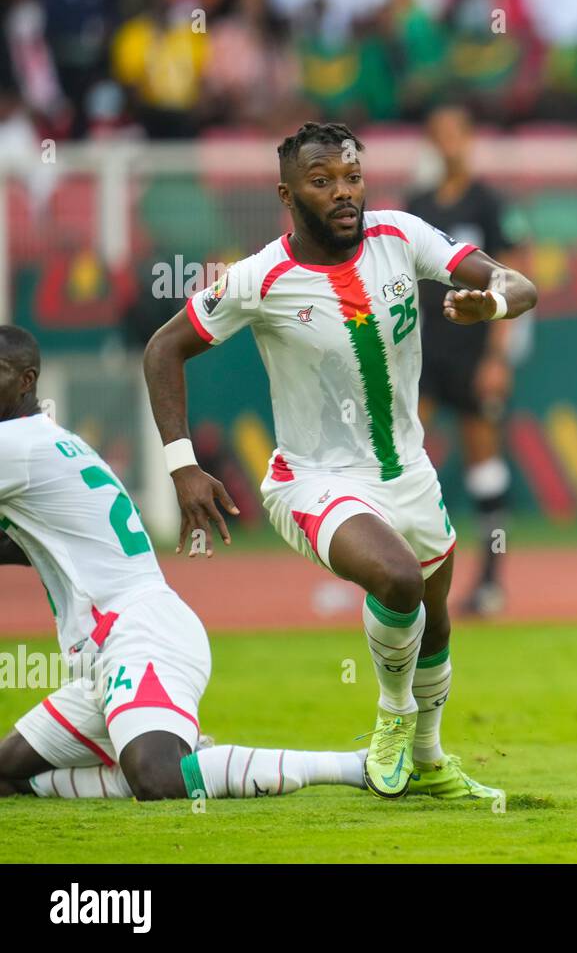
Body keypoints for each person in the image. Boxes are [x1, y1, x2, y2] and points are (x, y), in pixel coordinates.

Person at [142, 122, 538, 798]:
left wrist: (494, 303)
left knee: (435, 620)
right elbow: (163, 349)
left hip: (408, 474)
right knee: (396, 580)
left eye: (351, 177)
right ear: (287, 194)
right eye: (322, 182)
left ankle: (430, 761)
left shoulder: (402, 235)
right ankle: (391, 718)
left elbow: (519, 282)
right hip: (313, 481)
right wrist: (182, 466)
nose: (343, 193)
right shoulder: (259, 277)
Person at [0, 324, 367, 801]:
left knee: (159, 779)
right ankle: (184, 751)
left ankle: (356, 766)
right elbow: (45, 545)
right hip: (108, 652)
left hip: (140, 637)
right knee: (8, 773)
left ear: (27, 381)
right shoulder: (46, 441)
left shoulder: (16, 446)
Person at [407, 105, 525, 617]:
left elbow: (516, 275)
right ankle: (402, 578)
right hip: (424, 349)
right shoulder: (417, 205)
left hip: (475, 349)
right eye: (440, 135)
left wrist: (499, 355)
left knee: (484, 465)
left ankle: (491, 582)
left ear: (469, 138)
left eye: (456, 133)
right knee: (405, 454)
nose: (448, 144)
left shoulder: (491, 203)